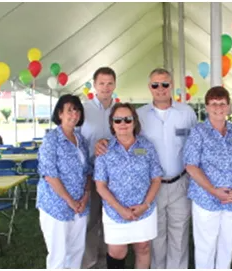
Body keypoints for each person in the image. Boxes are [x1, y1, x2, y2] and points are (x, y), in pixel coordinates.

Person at [95, 68, 197, 269]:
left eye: (165, 84)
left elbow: (196, 144)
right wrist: (102, 142)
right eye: (155, 85)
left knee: (180, 235)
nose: (160, 89)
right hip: (152, 189)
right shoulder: (140, 114)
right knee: (155, 239)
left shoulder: (187, 113)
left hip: (180, 182)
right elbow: (121, 134)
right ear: (149, 87)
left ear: (171, 85)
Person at [183, 86, 232, 269]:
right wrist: (213, 190)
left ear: (229, 106)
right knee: (206, 247)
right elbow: (191, 165)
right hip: (206, 198)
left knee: (227, 246)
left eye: (222, 103)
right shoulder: (198, 132)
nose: (218, 108)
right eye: (213, 103)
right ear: (206, 107)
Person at [94, 103, 163, 269]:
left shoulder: (146, 146)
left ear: (134, 122)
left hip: (143, 210)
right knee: (117, 251)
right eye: (118, 120)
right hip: (115, 211)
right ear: (112, 123)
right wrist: (120, 209)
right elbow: (100, 186)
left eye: (127, 119)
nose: (123, 123)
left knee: (143, 248)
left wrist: (145, 205)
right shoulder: (104, 149)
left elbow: (156, 178)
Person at [37, 94, 91, 269]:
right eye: (69, 110)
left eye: (77, 110)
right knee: (58, 256)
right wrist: (71, 201)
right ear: (60, 113)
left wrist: (84, 198)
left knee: (76, 253)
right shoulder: (51, 139)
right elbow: (50, 175)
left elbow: (87, 172)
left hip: (80, 208)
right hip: (56, 206)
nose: (74, 114)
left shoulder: (81, 140)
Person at [80, 67, 116, 268]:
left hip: (114, 179)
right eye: (101, 83)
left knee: (110, 219)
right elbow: (74, 140)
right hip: (91, 176)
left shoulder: (119, 112)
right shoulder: (83, 110)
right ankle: (89, 262)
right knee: (91, 220)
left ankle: (107, 260)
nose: (105, 87)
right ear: (94, 85)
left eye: (109, 83)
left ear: (115, 85)